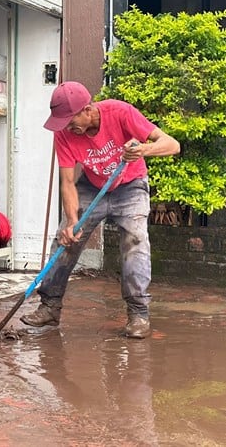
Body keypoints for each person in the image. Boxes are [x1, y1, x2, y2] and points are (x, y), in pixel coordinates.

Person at [20, 81, 180, 339]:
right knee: (66, 239)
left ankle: (138, 314)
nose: (67, 127)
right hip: (92, 186)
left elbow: (172, 144)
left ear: (87, 109)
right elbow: (68, 182)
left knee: (135, 243)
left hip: (130, 185)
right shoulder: (64, 133)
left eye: (70, 120)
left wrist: (143, 150)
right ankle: (50, 307)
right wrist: (72, 221)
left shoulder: (120, 112)